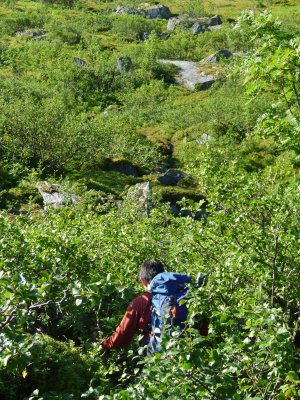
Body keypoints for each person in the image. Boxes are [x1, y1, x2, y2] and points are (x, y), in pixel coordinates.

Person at [101, 259, 165, 351]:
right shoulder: (178, 293)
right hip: (183, 347)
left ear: (142, 281)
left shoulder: (141, 302)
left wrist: (105, 344)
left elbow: (123, 335)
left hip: (158, 352)